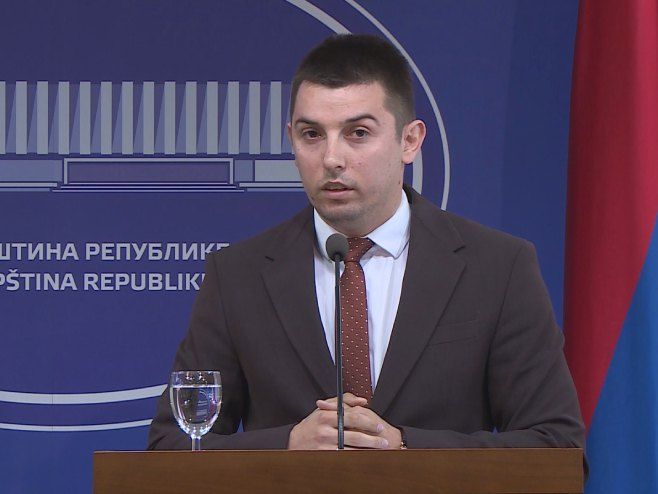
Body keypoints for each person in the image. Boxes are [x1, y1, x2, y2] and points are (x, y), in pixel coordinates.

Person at [148, 34, 585, 451]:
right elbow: (173, 446)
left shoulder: (498, 267)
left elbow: (556, 445)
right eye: (312, 134)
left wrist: (404, 448)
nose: (332, 158)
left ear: (409, 141)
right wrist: (287, 445)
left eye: (357, 133)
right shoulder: (238, 275)